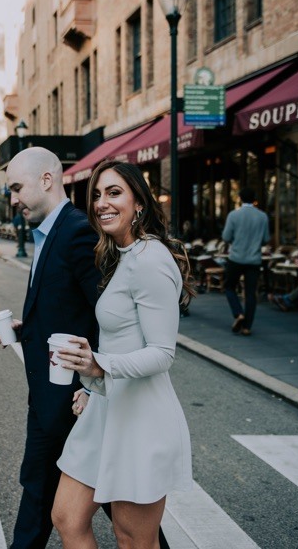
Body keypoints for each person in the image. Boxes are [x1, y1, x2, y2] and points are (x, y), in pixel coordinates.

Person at [51, 161, 195, 548]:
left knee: (132, 539)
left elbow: (162, 353)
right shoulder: (122, 255)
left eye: (114, 193)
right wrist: (94, 382)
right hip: (106, 408)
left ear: (139, 204)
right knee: (66, 517)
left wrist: (101, 365)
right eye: (96, 195)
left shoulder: (150, 259)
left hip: (140, 421)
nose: (101, 203)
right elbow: (123, 340)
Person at [0, 147, 102, 548]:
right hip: (47, 395)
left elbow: (106, 315)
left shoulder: (77, 231)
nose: (14, 198)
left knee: (115, 499)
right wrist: (28, 330)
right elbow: (66, 308)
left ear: (46, 180)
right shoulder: (47, 232)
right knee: (39, 486)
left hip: (74, 398)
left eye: (17, 187)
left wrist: (93, 388)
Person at [221, 187, 270, 336]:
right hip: (254, 259)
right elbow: (266, 239)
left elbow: (226, 237)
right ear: (254, 199)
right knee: (250, 293)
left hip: (236, 258)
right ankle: (247, 327)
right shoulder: (262, 216)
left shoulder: (234, 215)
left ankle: (238, 313)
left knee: (229, 286)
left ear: (240, 198)